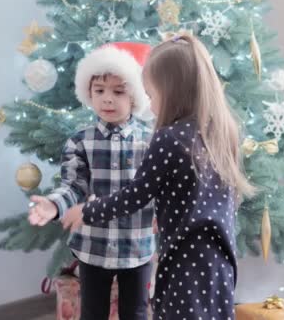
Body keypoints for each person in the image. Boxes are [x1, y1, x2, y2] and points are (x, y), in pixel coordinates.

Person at [61, 33, 256, 319]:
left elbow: (134, 195)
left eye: (152, 95)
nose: (150, 106)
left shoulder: (169, 139)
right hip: (220, 258)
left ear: (172, 91)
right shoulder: (220, 131)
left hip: (185, 262)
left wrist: (88, 210)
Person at [28, 42, 155, 320]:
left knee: (136, 313)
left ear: (135, 95)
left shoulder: (150, 141)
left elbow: (155, 189)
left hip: (137, 246)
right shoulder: (80, 141)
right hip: (92, 248)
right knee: (92, 313)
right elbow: (74, 186)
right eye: (99, 91)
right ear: (89, 92)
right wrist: (53, 205)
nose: (107, 99)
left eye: (118, 91)